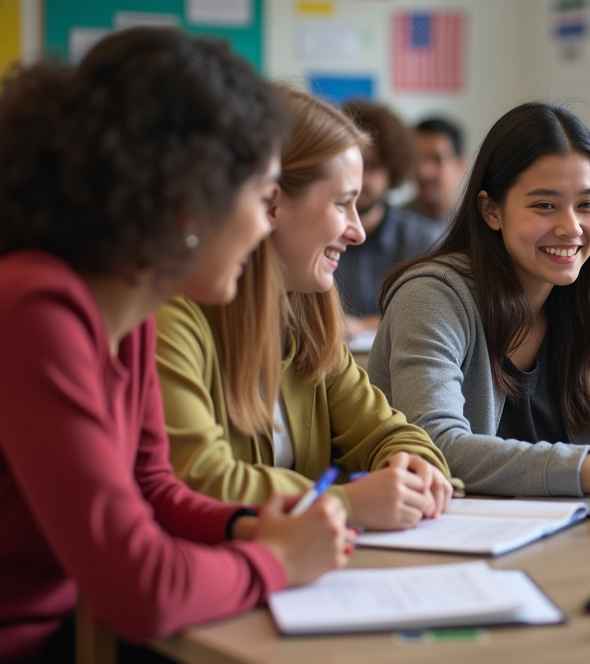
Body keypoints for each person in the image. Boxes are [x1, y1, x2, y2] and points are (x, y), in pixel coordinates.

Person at [0, 29, 348, 662]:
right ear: (188, 200)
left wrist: (249, 526)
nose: (265, 224)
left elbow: (153, 489)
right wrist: (274, 560)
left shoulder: (129, 309)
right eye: (261, 196)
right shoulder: (35, 309)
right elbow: (139, 588)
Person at [368, 102, 590, 497]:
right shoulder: (431, 296)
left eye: (587, 204)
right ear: (491, 209)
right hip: (453, 544)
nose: (571, 227)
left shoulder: (571, 300)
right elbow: (436, 446)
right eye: (545, 205)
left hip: (557, 533)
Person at [156, 89, 454, 532]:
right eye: (341, 203)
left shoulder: (307, 318)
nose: (357, 232)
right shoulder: (171, 319)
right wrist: (346, 503)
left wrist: (415, 465)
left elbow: (390, 432)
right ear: (271, 203)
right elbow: (198, 480)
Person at [338, 100, 442, 332]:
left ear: (393, 171)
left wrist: (361, 326)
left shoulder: (424, 240)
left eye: (372, 166)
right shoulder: (317, 236)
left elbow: (433, 316)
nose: (359, 179)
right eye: (351, 164)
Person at [407, 115, 469, 231]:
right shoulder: (395, 224)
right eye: (417, 159)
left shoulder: (480, 222)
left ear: (460, 165)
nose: (423, 171)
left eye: (437, 159)